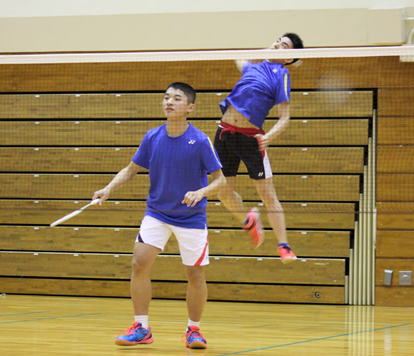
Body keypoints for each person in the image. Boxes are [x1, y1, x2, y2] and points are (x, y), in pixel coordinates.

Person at [93, 82, 225, 349]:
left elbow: (221, 181)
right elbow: (131, 170)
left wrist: (201, 192)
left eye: (176, 98)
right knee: (139, 263)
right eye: (166, 97)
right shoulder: (152, 137)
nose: (169, 102)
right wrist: (107, 189)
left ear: (190, 107)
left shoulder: (199, 141)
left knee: (195, 276)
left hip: (191, 217)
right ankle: (141, 328)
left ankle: (194, 331)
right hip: (157, 213)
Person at [214, 33, 304, 264]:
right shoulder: (251, 68)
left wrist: (270, 137)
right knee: (222, 192)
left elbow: (285, 117)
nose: (278, 45)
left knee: (267, 195)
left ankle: (284, 246)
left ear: (290, 58)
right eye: (278, 41)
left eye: (286, 46)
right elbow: (238, 56)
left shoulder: (281, 74)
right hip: (224, 135)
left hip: (251, 139)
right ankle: (249, 220)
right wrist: (271, 48)